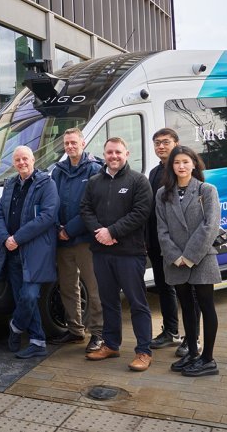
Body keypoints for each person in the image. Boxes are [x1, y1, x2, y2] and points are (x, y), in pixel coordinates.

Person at [80, 137, 155, 371]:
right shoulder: (94, 181)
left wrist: (112, 231)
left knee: (137, 302)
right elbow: (85, 209)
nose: (113, 156)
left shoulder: (138, 181)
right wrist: (100, 233)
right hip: (101, 252)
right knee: (108, 302)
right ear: (104, 154)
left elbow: (141, 212)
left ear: (126, 153)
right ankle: (111, 344)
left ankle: (144, 351)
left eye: (118, 152)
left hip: (129, 253)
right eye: (109, 152)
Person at [155, 146, 222, 377]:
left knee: (206, 305)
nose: (181, 166)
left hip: (202, 258)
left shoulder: (207, 190)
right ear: (171, 166)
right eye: (176, 163)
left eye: (185, 162)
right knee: (187, 306)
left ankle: (208, 359)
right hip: (175, 261)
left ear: (194, 164)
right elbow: (161, 230)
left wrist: (190, 256)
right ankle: (192, 352)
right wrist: (175, 256)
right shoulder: (163, 193)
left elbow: (210, 225)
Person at [0, 145, 59, 359]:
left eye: (25, 159)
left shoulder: (46, 183)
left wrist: (16, 238)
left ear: (33, 159)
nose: (22, 163)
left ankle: (15, 326)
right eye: (18, 160)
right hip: (12, 252)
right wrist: (5, 239)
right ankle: (38, 341)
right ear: (14, 163)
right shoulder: (10, 184)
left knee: (30, 296)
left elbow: (48, 216)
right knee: (21, 296)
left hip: (35, 252)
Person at [48, 128, 105, 353]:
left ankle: (98, 334)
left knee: (93, 288)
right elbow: (50, 204)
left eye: (74, 142)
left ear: (83, 142)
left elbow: (92, 208)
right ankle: (75, 330)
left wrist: (69, 230)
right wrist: (57, 229)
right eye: (66, 143)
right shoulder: (58, 171)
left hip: (84, 240)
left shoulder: (94, 169)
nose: (70, 146)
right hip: (62, 241)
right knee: (68, 288)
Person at [146, 128, 193, 356]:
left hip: (181, 243)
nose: (161, 146)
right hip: (158, 240)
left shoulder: (182, 171)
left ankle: (191, 337)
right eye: (157, 143)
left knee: (188, 291)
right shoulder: (154, 173)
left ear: (176, 143)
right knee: (164, 287)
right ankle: (171, 330)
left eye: (165, 142)